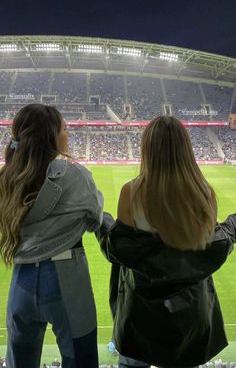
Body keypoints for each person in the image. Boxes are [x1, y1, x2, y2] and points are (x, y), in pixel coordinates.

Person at [96, 115, 236, 367]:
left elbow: (123, 251)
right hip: (190, 312)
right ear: (186, 148)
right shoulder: (206, 195)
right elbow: (203, 252)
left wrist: (102, 223)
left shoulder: (131, 192)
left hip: (140, 313)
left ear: (147, 148)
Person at [0, 104, 103, 368]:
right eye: (64, 128)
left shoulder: (6, 179)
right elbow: (95, 219)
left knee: (18, 361)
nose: (68, 133)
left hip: (21, 280)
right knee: (81, 359)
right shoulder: (75, 175)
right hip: (66, 276)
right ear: (51, 136)